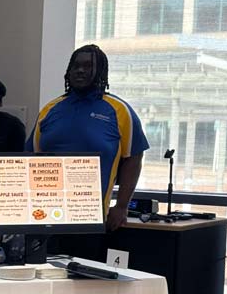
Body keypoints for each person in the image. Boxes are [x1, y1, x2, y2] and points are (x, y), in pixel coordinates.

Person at [25, 44, 148, 261]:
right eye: (76, 65)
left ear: (101, 71)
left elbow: (133, 158)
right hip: (44, 216)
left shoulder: (119, 111)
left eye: (88, 66)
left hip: (90, 219)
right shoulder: (50, 109)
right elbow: (32, 160)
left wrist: (121, 207)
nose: (80, 70)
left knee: (83, 285)